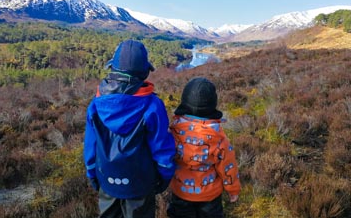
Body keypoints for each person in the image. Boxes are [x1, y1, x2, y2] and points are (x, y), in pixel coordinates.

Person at [84, 39, 176, 218]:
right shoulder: (153, 105)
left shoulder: (96, 103)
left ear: (113, 68)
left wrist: (92, 173)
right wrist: (165, 174)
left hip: (107, 179)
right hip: (140, 184)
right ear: (144, 73)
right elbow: (162, 147)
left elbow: (90, 145)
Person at [167, 77, 241, 218]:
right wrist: (233, 190)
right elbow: (228, 167)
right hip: (210, 197)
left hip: (181, 193)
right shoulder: (219, 138)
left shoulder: (173, 131)